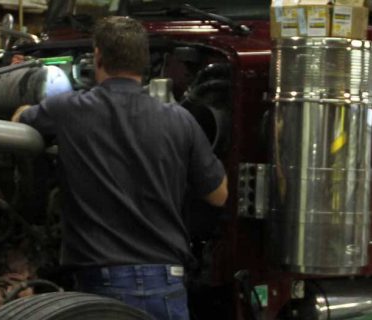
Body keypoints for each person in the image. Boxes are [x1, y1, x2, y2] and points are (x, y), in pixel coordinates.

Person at [11, 16, 228, 320]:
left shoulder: (69, 109)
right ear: (144, 63)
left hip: (103, 286)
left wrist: (22, 109)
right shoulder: (181, 120)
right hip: (167, 281)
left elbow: (18, 124)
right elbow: (219, 195)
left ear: (98, 56)